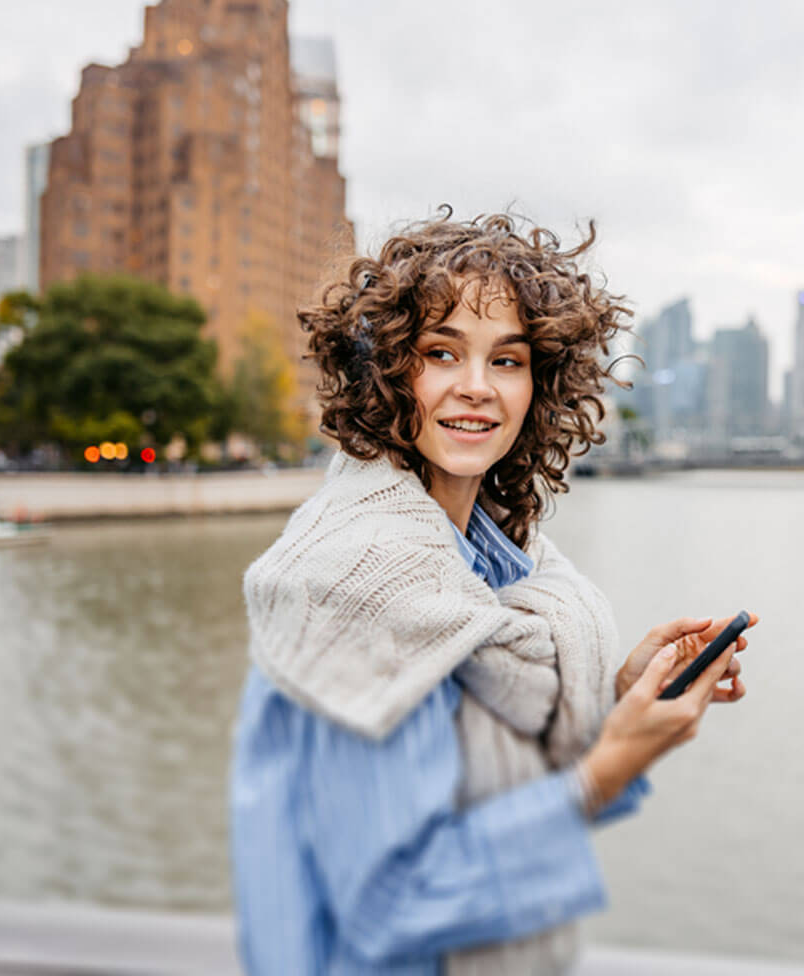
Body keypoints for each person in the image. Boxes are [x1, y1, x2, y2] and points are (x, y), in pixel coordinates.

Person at [231, 212, 755, 975]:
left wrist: (618, 700)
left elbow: (481, 791)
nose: (476, 389)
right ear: (386, 373)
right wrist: (604, 769)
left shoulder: (494, 562)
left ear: (540, 387)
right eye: (441, 353)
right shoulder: (356, 583)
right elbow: (386, 905)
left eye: (507, 361)